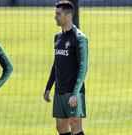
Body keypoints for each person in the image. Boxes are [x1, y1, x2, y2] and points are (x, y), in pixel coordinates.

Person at [43, 1, 88, 135]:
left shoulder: (80, 38)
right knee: (61, 128)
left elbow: (83, 68)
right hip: (59, 90)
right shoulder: (57, 37)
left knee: (75, 125)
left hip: (73, 91)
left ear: (68, 16)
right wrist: (48, 87)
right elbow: (56, 64)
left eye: (58, 14)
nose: (55, 17)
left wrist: (75, 93)